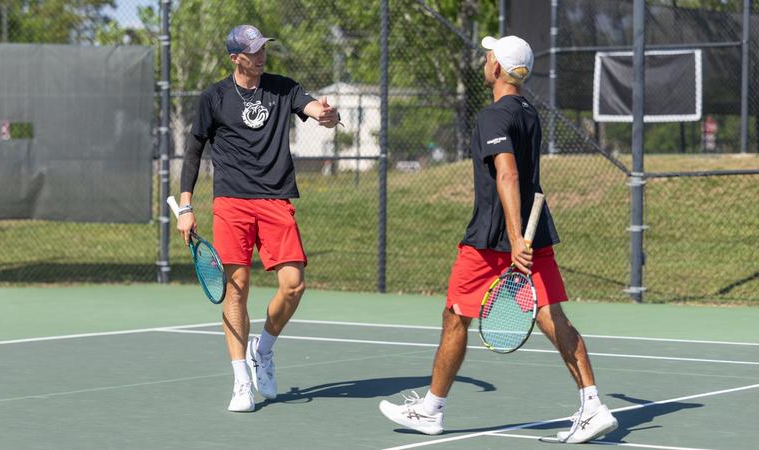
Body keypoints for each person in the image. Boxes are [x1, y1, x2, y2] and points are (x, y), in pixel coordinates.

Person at [378, 35, 618, 443]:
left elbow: (507, 174)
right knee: (551, 317)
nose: (485, 59)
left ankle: (432, 409)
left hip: (495, 239)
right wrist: (522, 236)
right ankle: (592, 404)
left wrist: (512, 236)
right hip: (531, 233)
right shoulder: (529, 112)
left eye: (489, 55)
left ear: (498, 69)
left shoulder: (493, 115)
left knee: (456, 315)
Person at [176, 24, 340, 413]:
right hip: (231, 201)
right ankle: (240, 382)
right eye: (253, 50)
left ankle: (262, 350)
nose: (261, 55)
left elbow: (315, 108)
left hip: (275, 200)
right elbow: (193, 152)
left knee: (294, 284)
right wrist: (186, 206)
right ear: (236, 58)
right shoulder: (214, 97)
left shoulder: (283, 87)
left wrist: (327, 115)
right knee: (237, 288)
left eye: (263, 47)